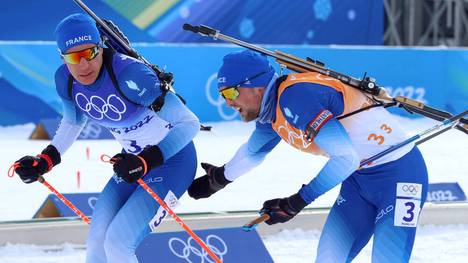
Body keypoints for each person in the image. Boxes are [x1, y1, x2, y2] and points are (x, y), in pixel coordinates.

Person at [188, 50, 428, 262]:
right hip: (358, 182)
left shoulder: (296, 97)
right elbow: (252, 154)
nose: (228, 103)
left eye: (230, 93)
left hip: (401, 177)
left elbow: (346, 158)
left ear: (256, 86)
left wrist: (296, 202)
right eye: (222, 95)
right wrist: (217, 180)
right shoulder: (271, 115)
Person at [12, 13, 200, 263]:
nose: (83, 65)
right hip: (132, 165)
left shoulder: (130, 74)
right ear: (62, 57)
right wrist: (46, 159)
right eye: (72, 57)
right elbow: (72, 122)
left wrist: (145, 161)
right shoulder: (66, 80)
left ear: (101, 46)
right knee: (97, 242)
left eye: (89, 53)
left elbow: (189, 123)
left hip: (174, 163)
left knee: (119, 244)